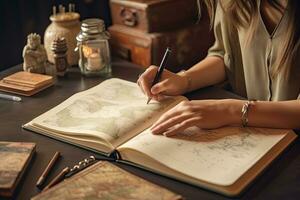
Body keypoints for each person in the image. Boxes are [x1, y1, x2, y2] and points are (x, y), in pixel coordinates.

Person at [137, 0, 300, 137]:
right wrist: (184, 80)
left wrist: (229, 110)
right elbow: (226, 55)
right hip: (251, 135)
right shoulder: (232, 2)